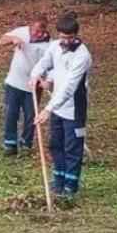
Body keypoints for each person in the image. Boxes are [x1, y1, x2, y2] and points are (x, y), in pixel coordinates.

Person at [31, 12, 92, 202]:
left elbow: (69, 87)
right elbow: (47, 63)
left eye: (69, 38)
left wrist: (48, 109)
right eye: (62, 37)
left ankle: (70, 186)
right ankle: (58, 181)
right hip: (56, 105)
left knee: (72, 147)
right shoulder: (55, 46)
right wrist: (36, 75)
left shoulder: (82, 56)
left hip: (74, 108)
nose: (65, 41)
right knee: (56, 144)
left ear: (76, 35)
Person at [0, 14, 51, 156]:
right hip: (14, 82)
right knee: (11, 113)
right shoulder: (21, 32)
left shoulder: (48, 45)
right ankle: (10, 143)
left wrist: (45, 79)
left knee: (30, 115)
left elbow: (49, 65)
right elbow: (1, 40)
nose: (37, 34)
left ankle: (26, 143)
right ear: (30, 27)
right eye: (35, 30)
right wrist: (13, 39)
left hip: (33, 85)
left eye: (41, 31)